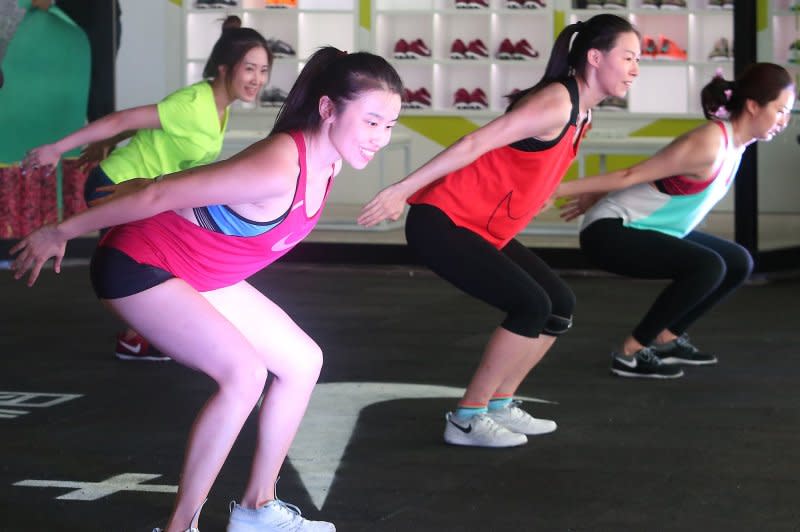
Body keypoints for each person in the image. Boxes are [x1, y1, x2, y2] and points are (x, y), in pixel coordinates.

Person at [11, 46, 403, 532]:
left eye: (389, 125)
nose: (380, 138)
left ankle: (258, 508)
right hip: (139, 263)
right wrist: (62, 231)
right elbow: (159, 196)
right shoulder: (282, 164)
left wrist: (149, 182)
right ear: (328, 109)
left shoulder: (331, 164)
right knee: (244, 376)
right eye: (371, 122)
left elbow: (170, 185)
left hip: (200, 271)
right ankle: (179, 527)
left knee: (303, 361)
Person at [358, 14, 641, 448]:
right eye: (629, 57)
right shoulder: (556, 102)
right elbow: (475, 143)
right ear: (595, 57)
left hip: (481, 226)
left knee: (558, 304)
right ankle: (467, 417)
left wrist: (562, 193)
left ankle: (499, 403)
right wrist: (403, 189)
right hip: (444, 220)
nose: (635, 69)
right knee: (530, 303)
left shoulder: (582, 114)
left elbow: (532, 168)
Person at [21, 19, 272, 361]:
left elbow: (149, 129)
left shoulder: (218, 109)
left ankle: (137, 336)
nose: (257, 79)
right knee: (143, 264)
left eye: (263, 70)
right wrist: (58, 148)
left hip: (146, 192)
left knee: (159, 261)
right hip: (117, 186)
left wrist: (107, 143)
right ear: (226, 68)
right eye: (249, 69)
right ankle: (137, 336)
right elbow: (123, 119)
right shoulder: (194, 104)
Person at [554, 63, 795, 379]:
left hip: (650, 228)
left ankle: (667, 338)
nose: (784, 122)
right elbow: (634, 173)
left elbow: (653, 174)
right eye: (780, 111)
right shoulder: (711, 141)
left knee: (737, 262)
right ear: (753, 105)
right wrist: (557, 190)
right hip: (612, 232)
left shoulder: (736, 144)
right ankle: (630, 352)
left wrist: (597, 195)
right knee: (709, 266)